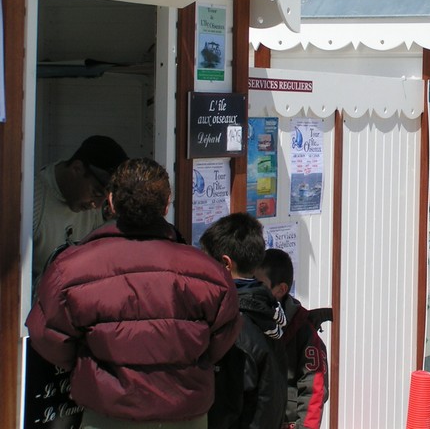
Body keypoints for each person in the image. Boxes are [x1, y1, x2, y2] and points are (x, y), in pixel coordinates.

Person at [27, 158, 241, 428]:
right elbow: (223, 338)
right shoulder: (209, 274)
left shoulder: (70, 269)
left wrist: (90, 364)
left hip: (108, 413)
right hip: (185, 413)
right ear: (166, 205)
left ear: (112, 202)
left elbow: (47, 336)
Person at [199, 213, 288, 429]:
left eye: (205, 262)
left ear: (225, 264)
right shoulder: (266, 311)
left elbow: (226, 408)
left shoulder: (235, 325)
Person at [32, 135, 128, 285]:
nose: (96, 205)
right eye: (96, 193)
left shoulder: (99, 211)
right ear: (76, 169)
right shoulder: (33, 199)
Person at [255, 249, 330, 429]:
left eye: (259, 285)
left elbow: (315, 387)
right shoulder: (247, 320)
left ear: (281, 289)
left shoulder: (303, 330)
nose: (252, 290)